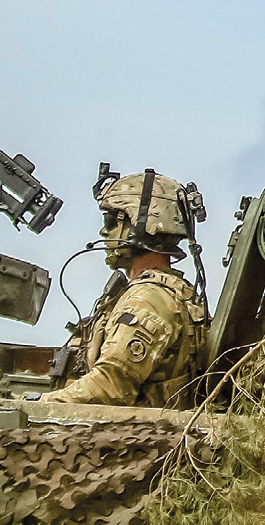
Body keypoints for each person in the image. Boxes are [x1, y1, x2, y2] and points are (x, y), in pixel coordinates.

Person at [38, 169, 209, 409]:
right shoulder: (164, 292)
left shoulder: (148, 299)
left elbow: (109, 387)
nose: (103, 232)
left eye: (111, 221)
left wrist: (37, 404)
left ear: (143, 225)